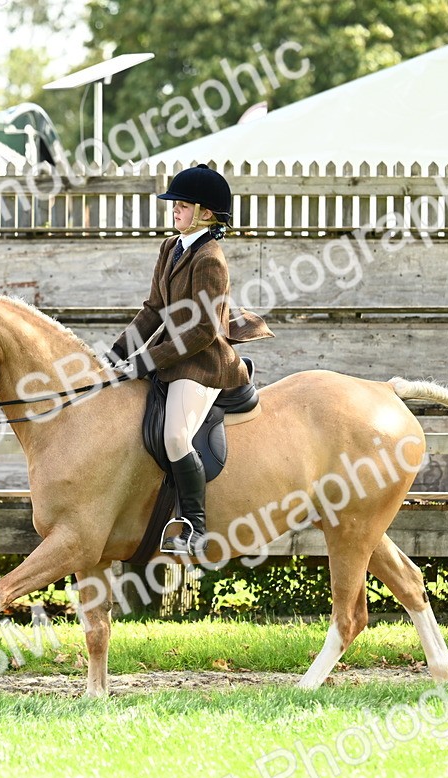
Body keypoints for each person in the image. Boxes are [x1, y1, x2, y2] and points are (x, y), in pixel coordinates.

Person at [110, 164, 271, 555]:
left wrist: (143, 362)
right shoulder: (171, 247)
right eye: (176, 204)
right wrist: (114, 355)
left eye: (182, 205)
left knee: (174, 436)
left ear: (207, 213)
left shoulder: (210, 259)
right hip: (169, 356)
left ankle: (195, 529)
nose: (175, 210)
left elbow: (202, 332)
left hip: (202, 364)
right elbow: (152, 310)